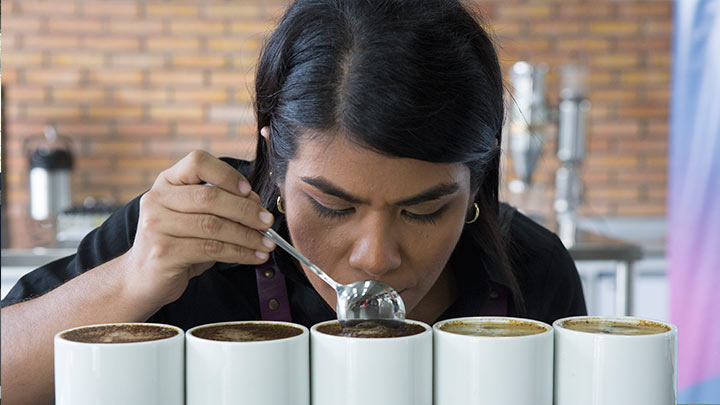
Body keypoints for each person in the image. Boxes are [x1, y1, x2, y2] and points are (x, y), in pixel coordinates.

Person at [0, 0, 586, 402]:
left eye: (425, 210)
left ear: (476, 182)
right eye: (332, 206)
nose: (376, 258)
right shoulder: (189, 234)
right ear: (275, 163)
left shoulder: (531, 271)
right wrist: (130, 279)